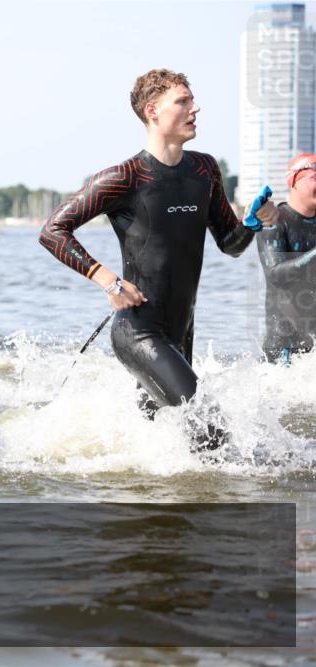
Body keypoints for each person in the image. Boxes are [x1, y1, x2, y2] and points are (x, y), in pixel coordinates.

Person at [38, 69, 266, 451]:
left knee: (167, 447)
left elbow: (230, 243)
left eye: (192, 101)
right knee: (212, 435)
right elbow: (53, 231)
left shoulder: (205, 169)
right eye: (184, 101)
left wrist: (253, 223)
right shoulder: (124, 177)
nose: (195, 109)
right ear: (153, 111)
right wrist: (107, 280)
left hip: (181, 331)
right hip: (139, 331)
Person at [257, 153, 316, 364]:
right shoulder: (275, 221)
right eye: (314, 177)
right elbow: (276, 275)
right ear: (294, 183)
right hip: (283, 347)